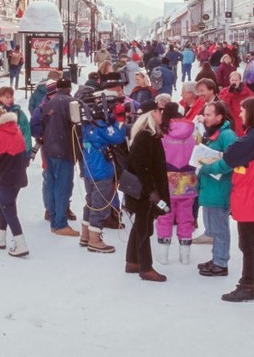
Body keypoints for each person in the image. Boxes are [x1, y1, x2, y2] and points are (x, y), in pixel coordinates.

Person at [203, 97, 254, 302]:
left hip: (248, 194)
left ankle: (246, 285)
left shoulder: (248, 141)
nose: (241, 115)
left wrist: (204, 166)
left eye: (243, 111)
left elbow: (224, 163)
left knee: (247, 244)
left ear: (253, 113)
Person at [124, 101, 170, 282]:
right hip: (144, 192)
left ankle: (132, 261)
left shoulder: (149, 135)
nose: (162, 114)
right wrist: (152, 191)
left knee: (140, 226)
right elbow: (142, 167)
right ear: (152, 114)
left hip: (144, 190)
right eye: (159, 111)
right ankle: (145, 267)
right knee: (144, 228)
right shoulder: (145, 136)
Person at [0, 106, 30, 257]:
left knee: (8, 208)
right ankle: (0, 237)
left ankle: (20, 243)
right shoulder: (14, 130)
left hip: (5, 177)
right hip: (17, 176)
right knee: (1, 204)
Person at [195, 101, 238, 276]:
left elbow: (231, 161)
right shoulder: (212, 133)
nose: (205, 118)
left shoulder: (227, 135)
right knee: (214, 227)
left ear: (219, 117)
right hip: (210, 187)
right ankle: (216, 258)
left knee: (220, 228)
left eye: (208, 115)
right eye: (204, 114)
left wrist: (207, 167)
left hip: (219, 188)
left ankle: (221, 263)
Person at [77, 100, 126, 253]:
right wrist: (120, 120)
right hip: (102, 171)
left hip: (89, 170)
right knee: (101, 206)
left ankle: (85, 235)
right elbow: (117, 136)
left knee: (91, 202)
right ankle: (95, 239)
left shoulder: (86, 126)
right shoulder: (100, 128)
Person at [156, 103, 197, 265]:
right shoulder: (193, 132)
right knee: (186, 218)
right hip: (188, 181)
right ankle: (185, 255)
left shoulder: (162, 133)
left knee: (164, 216)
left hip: (167, 181)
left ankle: (163, 255)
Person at [40, 78, 80, 236]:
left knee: (51, 184)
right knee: (62, 186)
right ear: (69, 88)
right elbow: (77, 127)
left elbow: (42, 124)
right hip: (63, 149)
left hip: (49, 148)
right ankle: (61, 223)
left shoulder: (49, 103)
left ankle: (54, 219)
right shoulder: (72, 103)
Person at [218, 71, 254, 136]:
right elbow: (221, 105)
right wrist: (229, 93)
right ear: (229, 80)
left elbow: (253, 103)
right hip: (230, 119)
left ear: (240, 80)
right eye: (232, 80)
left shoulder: (246, 91)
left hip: (243, 119)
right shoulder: (224, 91)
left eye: (236, 80)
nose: (234, 82)